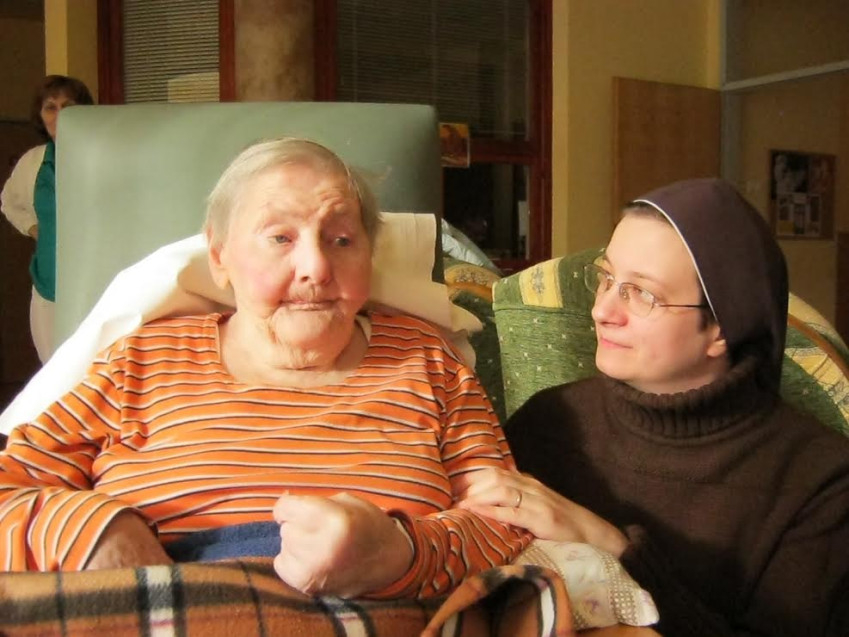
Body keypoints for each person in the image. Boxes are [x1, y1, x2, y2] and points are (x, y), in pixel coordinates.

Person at [0, 138, 529, 599]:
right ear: (220, 256)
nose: (316, 268)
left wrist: (401, 553)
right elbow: (9, 492)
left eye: (342, 240)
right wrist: (98, 533)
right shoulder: (139, 361)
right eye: (280, 238)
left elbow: (508, 520)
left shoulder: (427, 360)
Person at [459, 178, 849, 636]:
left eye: (642, 294)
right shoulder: (549, 421)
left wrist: (612, 547)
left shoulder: (821, 481)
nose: (603, 311)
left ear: (721, 328)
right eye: (607, 279)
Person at [1, 75, 94, 363]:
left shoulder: (100, 156)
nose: (60, 115)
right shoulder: (33, 161)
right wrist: (33, 228)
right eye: (51, 107)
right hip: (47, 284)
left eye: (69, 106)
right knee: (53, 369)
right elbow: (9, 202)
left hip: (95, 281)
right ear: (40, 116)